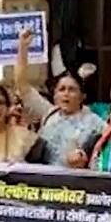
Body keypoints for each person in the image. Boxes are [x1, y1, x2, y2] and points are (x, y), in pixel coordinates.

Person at [14, 30, 104, 166]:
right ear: (55, 95)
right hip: (45, 181)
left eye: (72, 89)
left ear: (82, 96)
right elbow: (22, 86)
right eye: (61, 89)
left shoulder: (96, 123)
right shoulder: (49, 113)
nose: (66, 93)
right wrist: (22, 48)